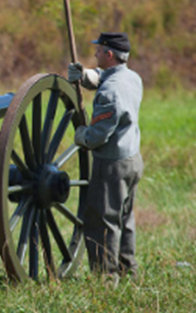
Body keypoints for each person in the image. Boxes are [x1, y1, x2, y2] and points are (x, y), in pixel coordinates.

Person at [68, 32, 144, 283]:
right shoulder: (133, 78)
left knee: (102, 221)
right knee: (125, 218)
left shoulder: (109, 93)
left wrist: (80, 134)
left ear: (109, 54)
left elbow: (96, 136)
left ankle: (106, 279)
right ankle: (127, 269)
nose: (95, 54)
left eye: (99, 50)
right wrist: (85, 76)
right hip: (133, 160)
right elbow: (106, 79)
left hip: (112, 165)